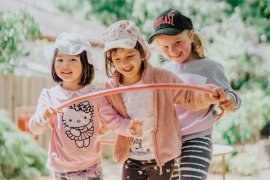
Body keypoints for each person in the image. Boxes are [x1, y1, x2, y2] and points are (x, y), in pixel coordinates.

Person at [102, 20, 226, 180]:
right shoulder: (112, 87)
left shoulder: (161, 77)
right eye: (117, 59)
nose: (124, 63)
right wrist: (127, 127)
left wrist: (207, 95)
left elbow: (187, 96)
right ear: (111, 61)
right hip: (131, 157)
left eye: (130, 56)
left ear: (142, 54)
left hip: (161, 156)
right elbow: (108, 117)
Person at [28, 32, 143, 180]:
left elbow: (112, 120)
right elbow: (34, 128)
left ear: (85, 63)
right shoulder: (49, 96)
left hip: (91, 167)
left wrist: (129, 127)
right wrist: (43, 116)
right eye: (60, 59)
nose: (65, 65)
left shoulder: (96, 94)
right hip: (62, 168)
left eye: (72, 59)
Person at [148, 8, 241, 180]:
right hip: (169, 139)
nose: (172, 50)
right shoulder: (164, 73)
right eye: (165, 47)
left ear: (191, 36)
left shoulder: (210, 67)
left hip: (198, 137)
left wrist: (228, 100)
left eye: (177, 42)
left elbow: (231, 95)